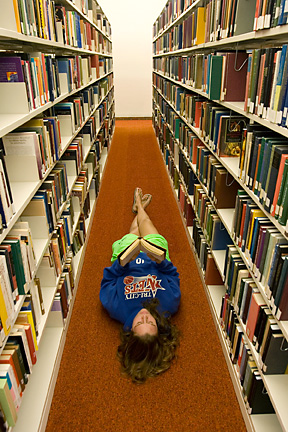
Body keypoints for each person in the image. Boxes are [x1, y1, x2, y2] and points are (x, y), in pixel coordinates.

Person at [100, 187, 181, 383]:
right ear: (158, 328)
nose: (145, 317)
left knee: (133, 232)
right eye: (150, 323)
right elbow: (173, 275)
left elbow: (108, 281)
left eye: (139, 324)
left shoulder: (117, 309)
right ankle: (140, 207)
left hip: (127, 258)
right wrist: (161, 261)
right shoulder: (168, 305)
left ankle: (138, 205)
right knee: (146, 224)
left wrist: (121, 264)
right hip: (154, 255)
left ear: (130, 330)